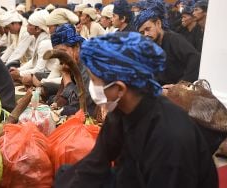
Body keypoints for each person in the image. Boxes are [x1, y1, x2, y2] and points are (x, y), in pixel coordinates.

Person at [54, 31, 218, 188]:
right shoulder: (121, 111)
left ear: (119, 88)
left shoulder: (170, 139)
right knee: (66, 175)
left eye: (94, 80)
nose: (92, 86)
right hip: (131, 177)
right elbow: (96, 161)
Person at [134, 1, 201, 85]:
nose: (146, 34)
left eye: (148, 29)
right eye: (142, 33)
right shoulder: (151, 45)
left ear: (158, 23)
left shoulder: (174, 39)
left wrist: (181, 86)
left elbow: (195, 58)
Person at [45, 23, 96, 116]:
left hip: (94, 107)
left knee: (65, 111)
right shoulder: (73, 59)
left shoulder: (87, 61)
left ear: (76, 47)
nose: (61, 56)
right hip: (81, 100)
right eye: (58, 53)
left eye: (63, 51)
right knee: (50, 98)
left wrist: (66, 76)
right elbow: (63, 95)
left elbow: (81, 102)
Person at [9, 10, 61, 86]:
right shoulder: (39, 39)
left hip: (50, 74)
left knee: (27, 78)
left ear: (38, 29)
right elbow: (33, 61)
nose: (27, 26)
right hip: (43, 72)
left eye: (30, 25)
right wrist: (19, 70)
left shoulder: (44, 42)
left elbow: (39, 69)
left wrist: (19, 73)